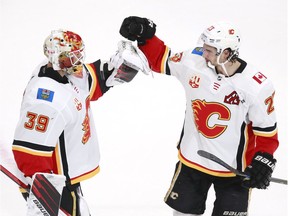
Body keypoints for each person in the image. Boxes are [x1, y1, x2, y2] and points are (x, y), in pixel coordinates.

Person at [119, 16, 279, 216]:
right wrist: (146, 37)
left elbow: (266, 132)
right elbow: (161, 59)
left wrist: (263, 159)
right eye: (204, 47)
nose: (203, 53)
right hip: (193, 161)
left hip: (234, 171)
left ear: (227, 53)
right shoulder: (194, 62)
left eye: (209, 50)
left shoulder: (256, 86)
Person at [12, 29, 143, 215]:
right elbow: (30, 152)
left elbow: (90, 82)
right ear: (57, 58)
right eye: (71, 57)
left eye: (78, 54)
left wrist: (118, 68)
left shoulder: (65, 72)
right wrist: (44, 195)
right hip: (55, 183)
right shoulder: (45, 101)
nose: (78, 62)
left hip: (68, 179)